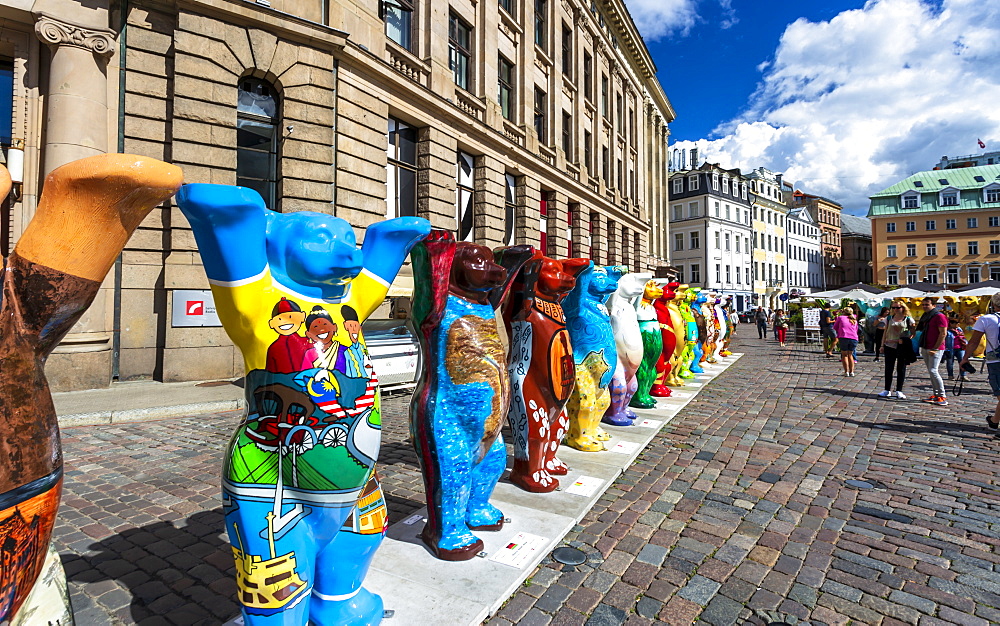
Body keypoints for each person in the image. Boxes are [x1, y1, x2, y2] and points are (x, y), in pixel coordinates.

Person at [961, 293, 1000, 431]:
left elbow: (974, 341)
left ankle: (995, 422)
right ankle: (994, 422)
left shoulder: (986, 319)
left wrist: (965, 358)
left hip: (995, 361)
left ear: (993, 304)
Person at [916, 297, 949, 406]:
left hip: (936, 348)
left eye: (927, 304)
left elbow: (943, 333)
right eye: (923, 304)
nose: (925, 306)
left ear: (934, 305)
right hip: (926, 346)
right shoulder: (927, 316)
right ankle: (936, 394)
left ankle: (942, 396)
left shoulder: (939, 316)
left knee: (934, 371)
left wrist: (935, 348)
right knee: (931, 371)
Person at [878, 300, 915, 399]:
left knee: (901, 368)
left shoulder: (908, 319)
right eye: (893, 307)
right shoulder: (889, 318)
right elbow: (885, 332)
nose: (895, 309)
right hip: (889, 345)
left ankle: (899, 390)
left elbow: (913, 333)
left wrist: (906, 340)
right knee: (889, 368)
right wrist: (882, 345)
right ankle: (887, 389)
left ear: (903, 308)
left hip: (902, 347)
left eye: (897, 307)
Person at [834, 308, 859, 376]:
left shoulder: (841, 318)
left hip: (844, 337)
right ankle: (852, 372)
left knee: (844, 355)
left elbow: (835, 327)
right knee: (850, 355)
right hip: (854, 338)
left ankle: (846, 372)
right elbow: (856, 329)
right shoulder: (854, 319)